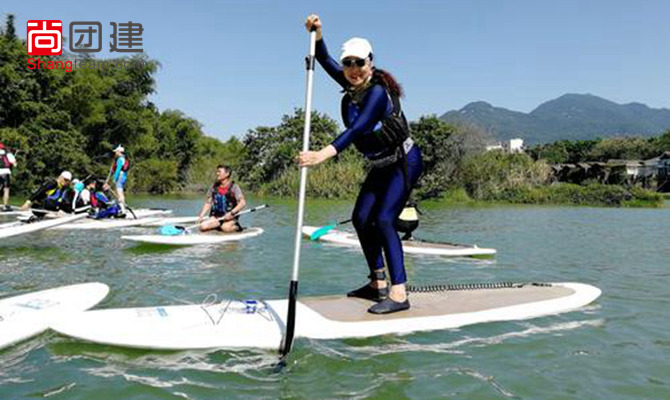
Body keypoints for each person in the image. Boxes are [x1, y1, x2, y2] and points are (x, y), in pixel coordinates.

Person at [299, 15, 424, 314]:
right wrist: (317, 33)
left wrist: (322, 154)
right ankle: (376, 283)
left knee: (383, 219)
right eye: (348, 64)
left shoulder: (378, 93)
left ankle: (398, 293)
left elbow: (358, 129)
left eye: (359, 63)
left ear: (370, 62)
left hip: (405, 162)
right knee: (360, 217)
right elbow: (324, 57)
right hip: (381, 164)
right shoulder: (350, 81)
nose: (353, 70)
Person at [197, 165, 247, 233]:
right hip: (216, 216)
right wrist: (201, 216)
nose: (217, 173)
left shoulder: (234, 187)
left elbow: (242, 203)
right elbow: (208, 203)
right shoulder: (214, 187)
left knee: (225, 228)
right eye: (217, 172)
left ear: (227, 174)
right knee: (202, 226)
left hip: (230, 217)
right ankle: (217, 226)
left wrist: (232, 213)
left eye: (219, 172)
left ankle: (236, 227)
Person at [111, 145, 129, 213]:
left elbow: (118, 169)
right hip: (123, 176)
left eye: (116, 152)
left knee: (119, 193)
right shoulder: (123, 158)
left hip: (120, 177)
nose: (115, 153)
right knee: (121, 192)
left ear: (119, 152)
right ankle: (122, 207)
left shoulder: (120, 159)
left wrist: (114, 178)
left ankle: (122, 209)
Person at [0, 143, 18, 211]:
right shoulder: (8, 153)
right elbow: (15, 164)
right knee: (6, 190)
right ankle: (5, 206)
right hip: (5, 172)